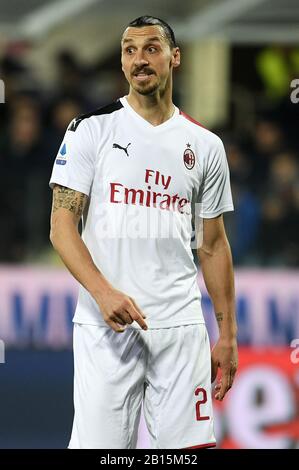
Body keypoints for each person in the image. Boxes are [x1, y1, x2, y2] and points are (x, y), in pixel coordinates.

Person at [49, 15, 238, 450]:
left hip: (181, 327)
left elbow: (212, 246)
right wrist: (103, 293)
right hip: (105, 327)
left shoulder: (205, 145)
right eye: (129, 50)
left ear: (175, 57)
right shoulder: (90, 130)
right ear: (120, 62)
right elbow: (62, 227)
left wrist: (227, 335)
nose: (139, 59)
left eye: (151, 48)